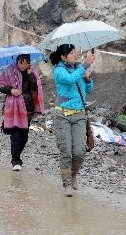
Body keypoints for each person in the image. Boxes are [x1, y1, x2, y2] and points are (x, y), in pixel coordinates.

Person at [49, 44, 95, 196]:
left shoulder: (78, 69)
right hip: (63, 115)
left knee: (80, 152)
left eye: (76, 52)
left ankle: (73, 175)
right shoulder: (58, 70)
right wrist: (86, 64)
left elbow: (88, 90)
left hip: (80, 115)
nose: (75, 55)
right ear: (63, 57)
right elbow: (69, 80)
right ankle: (67, 184)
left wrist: (88, 80)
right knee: (66, 151)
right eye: (72, 53)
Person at [0, 54, 44, 171]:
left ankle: (17, 154)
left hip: (27, 108)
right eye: (20, 62)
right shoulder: (9, 70)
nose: (22, 66)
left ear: (29, 63)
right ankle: (16, 160)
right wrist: (11, 90)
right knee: (16, 134)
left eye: (25, 63)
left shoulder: (32, 73)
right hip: (13, 107)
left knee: (24, 136)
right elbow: (0, 85)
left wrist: (29, 75)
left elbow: (36, 88)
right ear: (17, 61)